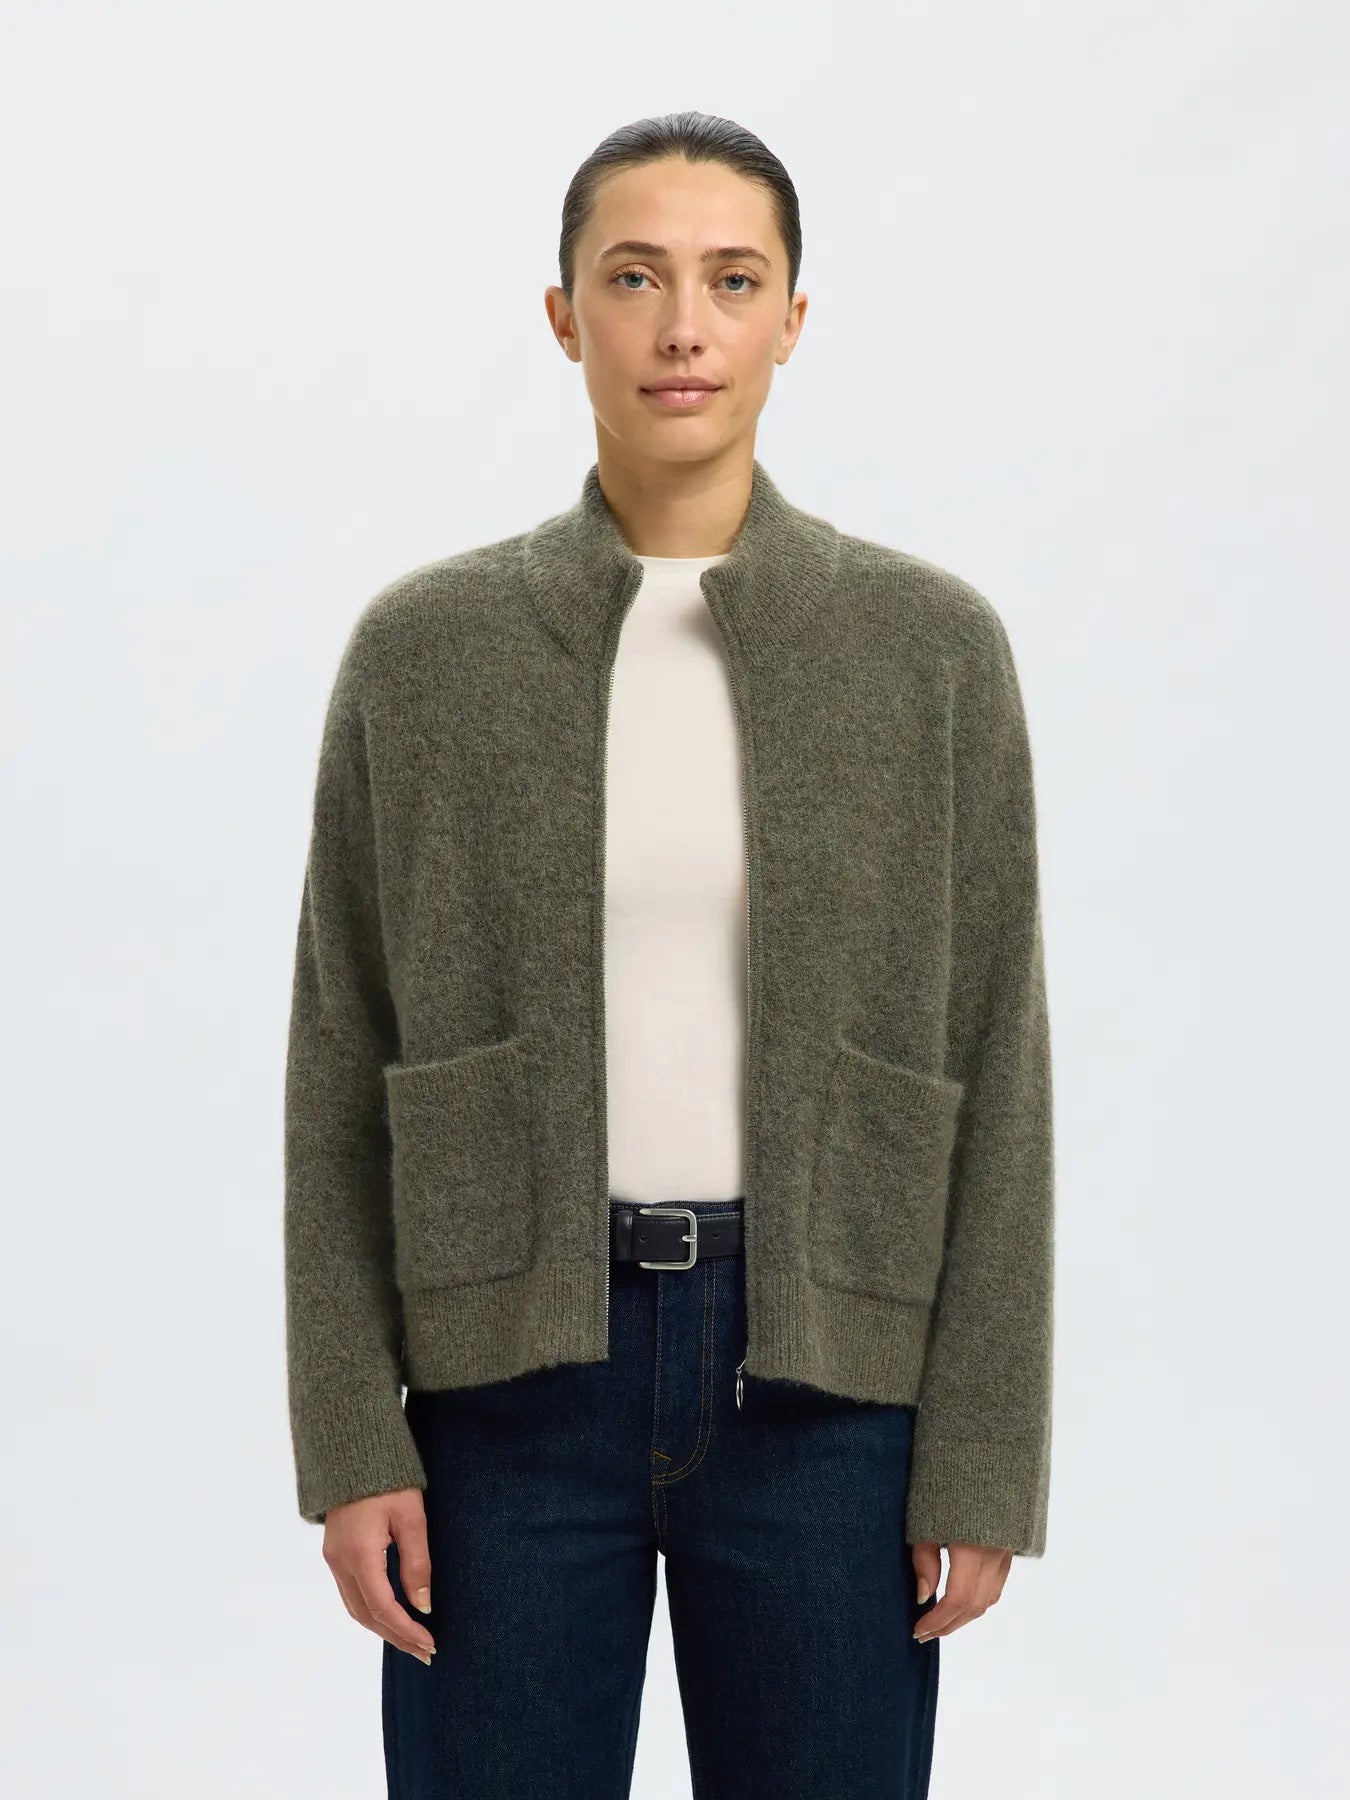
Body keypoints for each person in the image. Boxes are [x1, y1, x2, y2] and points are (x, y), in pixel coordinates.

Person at [283, 109, 1055, 1799]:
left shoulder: (926, 650)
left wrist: (983, 1454)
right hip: (502, 1389)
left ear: (793, 318)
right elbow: (339, 1056)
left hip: (828, 1387)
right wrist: (347, 1435)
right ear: (564, 315)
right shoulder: (427, 653)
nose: (683, 326)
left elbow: (997, 1056)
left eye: (732, 280)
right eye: (633, 278)